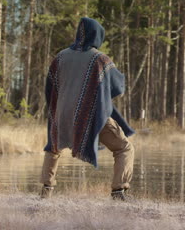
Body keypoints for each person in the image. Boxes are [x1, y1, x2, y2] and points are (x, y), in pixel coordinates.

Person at [40, 17, 135, 201]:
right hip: (91, 116)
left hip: (62, 114)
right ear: (96, 36)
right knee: (124, 148)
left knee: (54, 148)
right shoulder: (100, 59)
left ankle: (46, 190)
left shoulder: (60, 57)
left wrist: (60, 109)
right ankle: (119, 191)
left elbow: (50, 87)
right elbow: (119, 86)